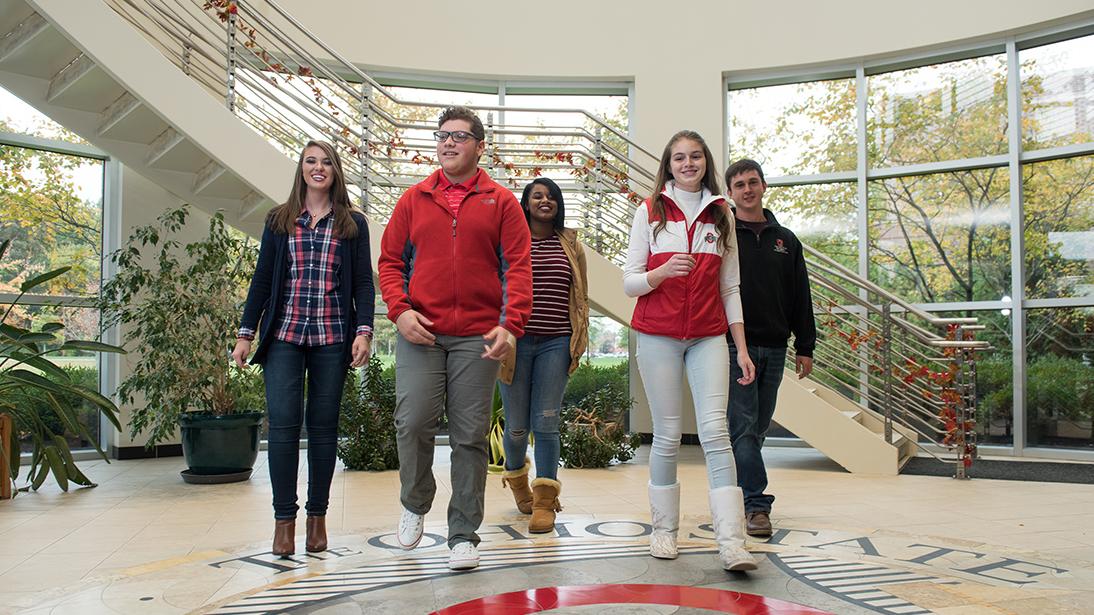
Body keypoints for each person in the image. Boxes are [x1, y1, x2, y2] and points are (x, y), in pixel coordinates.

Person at [378, 106, 533, 571]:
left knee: (468, 437)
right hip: (420, 333)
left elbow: (517, 269)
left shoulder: (500, 202)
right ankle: (414, 500)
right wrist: (400, 312)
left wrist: (510, 324)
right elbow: (389, 264)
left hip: (477, 338)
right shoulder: (414, 199)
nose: (448, 143)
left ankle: (463, 533)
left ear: (479, 146)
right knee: (413, 422)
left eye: (460, 136)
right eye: (443, 135)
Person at [623, 130, 759, 571]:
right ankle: (663, 532)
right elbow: (630, 282)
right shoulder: (650, 211)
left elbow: (731, 287)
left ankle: (732, 542)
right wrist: (660, 273)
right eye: (679, 157)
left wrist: (740, 348)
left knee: (715, 433)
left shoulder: (723, 215)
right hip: (658, 334)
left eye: (695, 156)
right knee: (666, 434)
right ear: (668, 164)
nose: (688, 163)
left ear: (705, 162)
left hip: (707, 336)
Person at [232, 140, 374, 557]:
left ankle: (317, 520)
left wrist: (363, 331)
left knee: (325, 429)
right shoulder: (280, 220)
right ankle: (283, 523)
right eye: (311, 161)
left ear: (335, 170)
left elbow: (363, 284)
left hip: (332, 337)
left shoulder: (353, 223)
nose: (318, 167)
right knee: (283, 428)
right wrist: (246, 333)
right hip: (285, 338)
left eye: (326, 161)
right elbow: (262, 281)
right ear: (301, 169)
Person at [724, 158, 816, 537]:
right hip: (734, 346)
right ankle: (757, 506)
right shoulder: (724, 237)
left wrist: (805, 345)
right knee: (744, 428)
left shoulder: (786, 240)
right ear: (730, 193)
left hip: (776, 347)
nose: (747, 189)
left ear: (763, 186)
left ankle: (738, 489)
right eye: (739, 184)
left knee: (758, 429)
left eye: (753, 182)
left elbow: (801, 296)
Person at [497, 177, 589, 534]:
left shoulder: (571, 244)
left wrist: (578, 344)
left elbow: (580, 298)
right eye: (537, 195)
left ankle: (544, 501)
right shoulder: (509, 241)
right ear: (527, 202)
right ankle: (520, 483)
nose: (545, 201)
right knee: (518, 426)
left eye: (551, 196)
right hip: (515, 345)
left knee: (547, 423)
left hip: (556, 342)